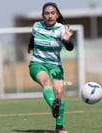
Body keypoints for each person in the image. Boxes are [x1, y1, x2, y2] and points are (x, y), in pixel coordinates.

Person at [28, 2, 74, 133]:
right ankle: (55, 108)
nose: (49, 16)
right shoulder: (36, 26)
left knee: (59, 93)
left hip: (55, 66)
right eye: (47, 13)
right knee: (47, 83)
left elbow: (70, 48)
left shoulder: (61, 29)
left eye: (52, 13)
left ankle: (59, 126)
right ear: (43, 15)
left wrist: (66, 40)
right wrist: (30, 46)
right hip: (37, 64)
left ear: (57, 15)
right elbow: (33, 38)